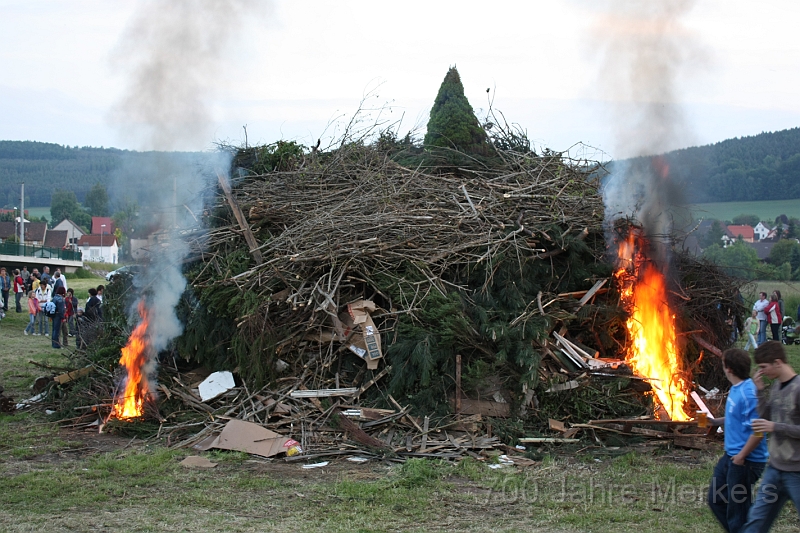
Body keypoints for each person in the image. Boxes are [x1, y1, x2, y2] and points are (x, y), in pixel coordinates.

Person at [742, 341, 800, 532]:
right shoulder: (776, 387)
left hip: (796, 471)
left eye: (763, 367)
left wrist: (775, 427)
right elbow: (767, 417)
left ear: (777, 362)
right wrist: (759, 392)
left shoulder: (798, 388)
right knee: (756, 521)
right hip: (775, 468)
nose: (761, 371)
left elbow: (772, 424)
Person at [708, 348, 768, 533]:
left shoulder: (749, 393)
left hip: (746, 461)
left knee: (738, 513)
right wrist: (715, 422)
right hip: (731, 456)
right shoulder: (736, 388)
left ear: (729, 369)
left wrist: (741, 456)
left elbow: (758, 431)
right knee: (715, 499)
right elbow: (737, 416)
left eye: (723, 364)